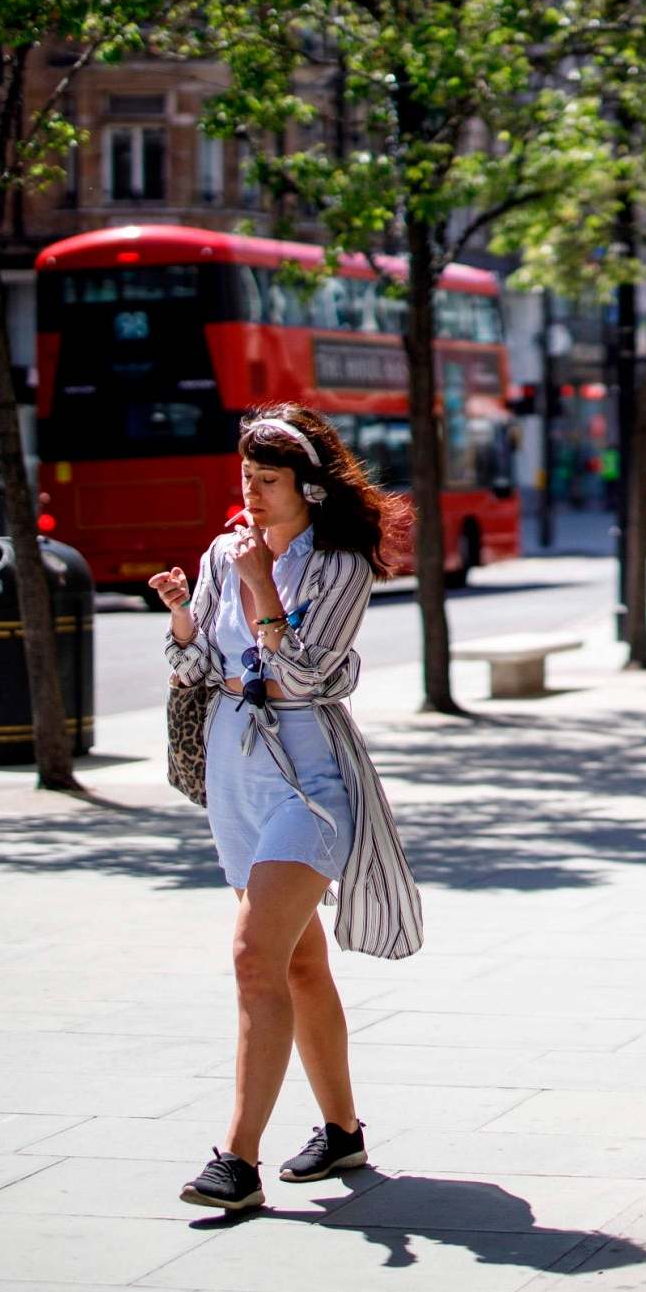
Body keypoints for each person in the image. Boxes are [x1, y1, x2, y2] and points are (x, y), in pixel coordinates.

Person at [148, 404, 424, 1211]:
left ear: (307, 486)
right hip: (238, 774)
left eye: (267, 482)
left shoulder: (337, 566)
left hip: (310, 775)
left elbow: (306, 676)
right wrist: (181, 610)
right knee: (299, 962)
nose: (253, 496)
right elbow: (192, 663)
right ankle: (343, 1132)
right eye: (245, 480)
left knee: (251, 956)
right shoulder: (219, 551)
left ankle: (237, 1160)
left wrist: (261, 582)